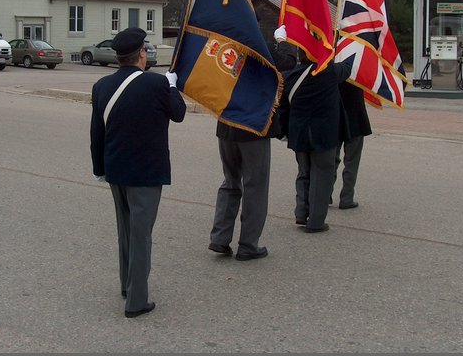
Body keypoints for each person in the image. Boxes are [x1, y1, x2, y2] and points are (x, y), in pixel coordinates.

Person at [90, 27, 186, 318]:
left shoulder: (102, 85)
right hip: (145, 173)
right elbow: (179, 113)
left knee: (126, 230)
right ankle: (136, 300)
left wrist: (99, 168)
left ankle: (127, 284)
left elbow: (97, 132)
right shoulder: (157, 85)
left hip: (116, 168)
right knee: (141, 235)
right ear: (141, 54)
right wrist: (171, 86)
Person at [208, 24, 297, 261]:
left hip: (227, 124)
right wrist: (281, 41)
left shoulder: (224, 46)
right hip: (252, 127)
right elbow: (289, 61)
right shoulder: (262, 47)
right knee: (255, 186)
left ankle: (220, 238)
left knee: (230, 182)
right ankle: (248, 244)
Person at [280, 49, 352, 233]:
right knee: (322, 175)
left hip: (299, 133)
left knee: (304, 172)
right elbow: (347, 67)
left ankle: (301, 213)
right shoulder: (329, 72)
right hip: (322, 134)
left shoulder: (290, 75)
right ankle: (316, 222)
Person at [331, 82, 372, 209]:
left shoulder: (332, 69)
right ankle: (347, 198)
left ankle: (324, 195)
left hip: (335, 120)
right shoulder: (357, 70)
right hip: (356, 120)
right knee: (352, 162)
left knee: (331, 161)